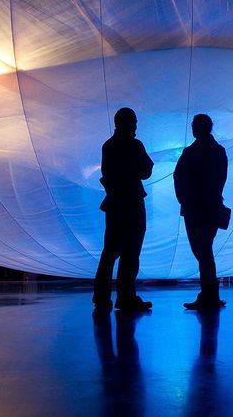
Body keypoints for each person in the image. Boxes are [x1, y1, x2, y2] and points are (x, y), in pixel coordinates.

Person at [93, 107, 154, 311]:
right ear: (127, 123)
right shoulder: (134, 145)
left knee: (110, 251)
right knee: (131, 251)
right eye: (134, 121)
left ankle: (101, 296)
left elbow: (106, 173)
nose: (136, 125)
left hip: (114, 204)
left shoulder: (108, 146)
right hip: (132, 203)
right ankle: (126, 297)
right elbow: (146, 171)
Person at [174, 114, 228, 310]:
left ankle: (209, 295)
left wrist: (185, 199)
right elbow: (221, 179)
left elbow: (178, 178)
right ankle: (209, 294)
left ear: (195, 129)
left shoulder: (190, 153)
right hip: (210, 207)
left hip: (195, 209)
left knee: (202, 251)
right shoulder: (218, 151)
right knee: (205, 250)